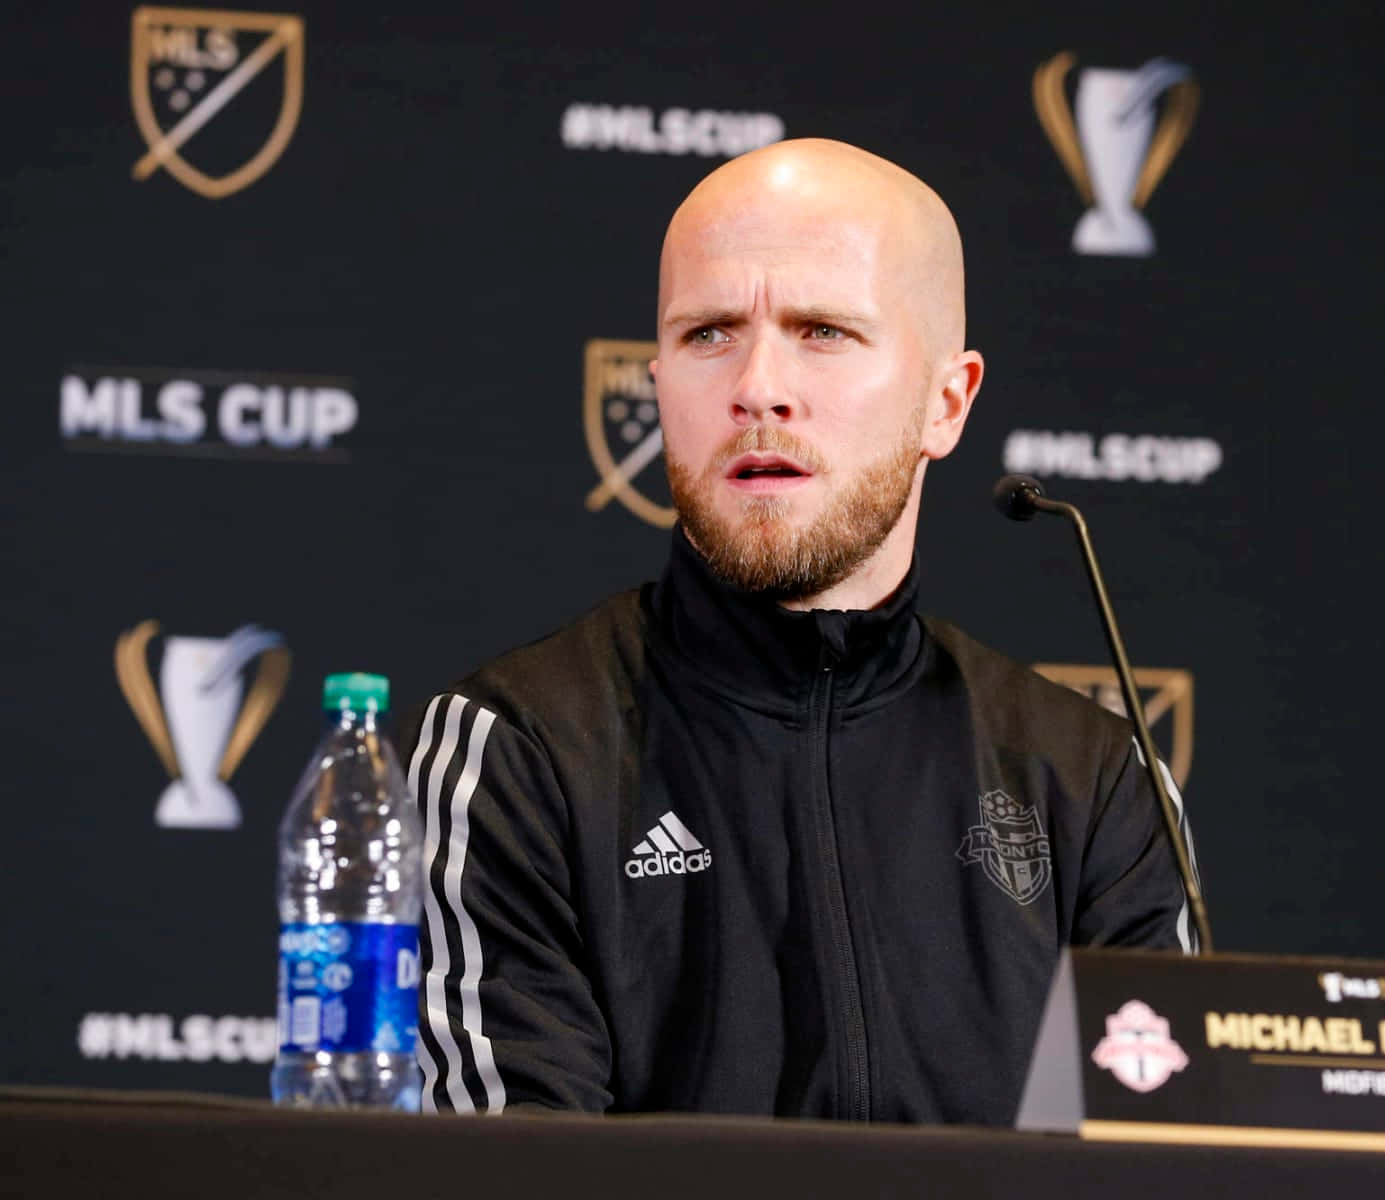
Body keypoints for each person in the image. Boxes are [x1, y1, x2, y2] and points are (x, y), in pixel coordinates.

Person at [405, 138, 1196, 1123]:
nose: (758, 386)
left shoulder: (1092, 777)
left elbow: (1160, 1158)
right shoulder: (518, 749)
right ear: (658, 382)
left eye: (822, 330)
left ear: (945, 402)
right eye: (708, 334)